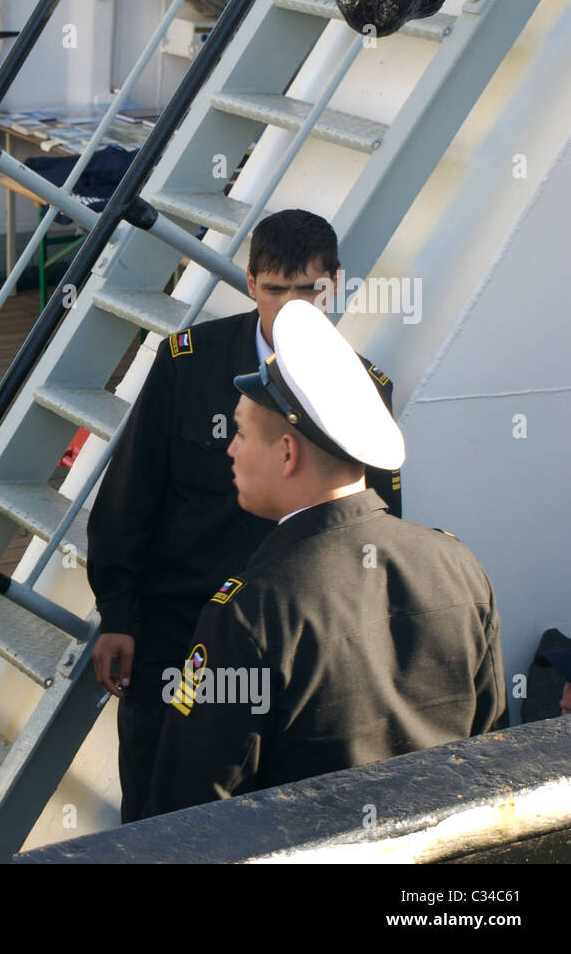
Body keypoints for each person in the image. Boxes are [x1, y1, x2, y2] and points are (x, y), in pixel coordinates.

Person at [87, 208, 401, 822]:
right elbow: (132, 492)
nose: (292, 305)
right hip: (178, 631)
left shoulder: (364, 386)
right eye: (276, 288)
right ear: (251, 282)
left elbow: (375, 521)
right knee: (156, 811)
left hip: (293, 642)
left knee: (276, 813)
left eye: (309, 289)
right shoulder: (188, 361)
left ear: (333, 283)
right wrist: (118, 615)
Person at [142, 300, 507, 816]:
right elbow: (491, 748)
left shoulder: (250, 613)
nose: (230, 450)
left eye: (241, 434)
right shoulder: (458, 565)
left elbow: (192, 806)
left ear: (288, 453)